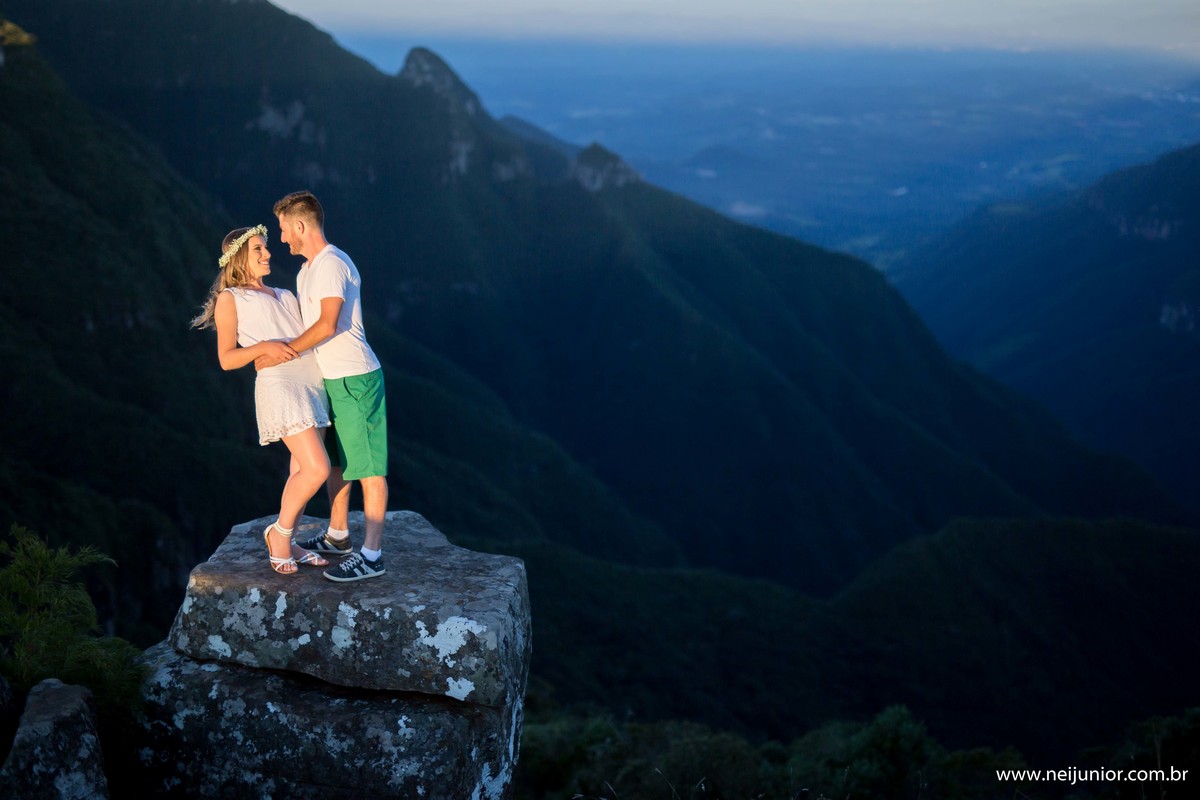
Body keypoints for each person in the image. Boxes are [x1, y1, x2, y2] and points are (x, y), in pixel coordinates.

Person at [261, 190, 389, 582]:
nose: (282, 239)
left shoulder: (333, 264)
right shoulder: (306, 271)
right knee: (336, 461)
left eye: (284, 230)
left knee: (367, 466)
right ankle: (338, 536)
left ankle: (372, 555)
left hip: (355, 377)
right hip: (329, 379)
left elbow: (327, 324)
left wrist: (284, 351)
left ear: (300, 226)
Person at [191, 225, 333, 575]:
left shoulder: (285, 294)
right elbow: (227, 358)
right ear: (238, 257)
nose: (267, 254)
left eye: (266, 248)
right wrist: (264, 348)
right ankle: (279, 535)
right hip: (280, 385)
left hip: (312, 381)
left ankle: (292, 537)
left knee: (300, 469)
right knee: (318, 468)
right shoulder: (231, 299)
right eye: (258, 249)